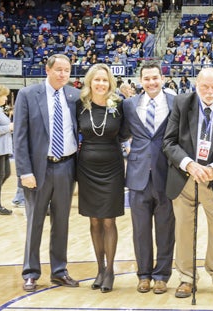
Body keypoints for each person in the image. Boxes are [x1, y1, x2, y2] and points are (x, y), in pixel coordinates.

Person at [162, 67, 213, 299]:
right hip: (185, 177)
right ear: (196, 84)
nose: (209, 91)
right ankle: (186, 278)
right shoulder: (182, 102)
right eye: (205, 86)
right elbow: (169, 142)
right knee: (184, 230)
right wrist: (189, 164)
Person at [14, 54, 80, 292]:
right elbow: (19, 137)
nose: (63, 74)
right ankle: (31, 272)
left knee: (62, 222)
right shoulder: (28, 95)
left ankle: (59, 271)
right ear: (48, 70)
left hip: (66, 167)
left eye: (67, 70)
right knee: (35, 222)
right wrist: (24, 172)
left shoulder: (74, 96)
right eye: (59, 70)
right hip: (38, 169)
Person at [122, 62, 176, 294]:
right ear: (141, 80)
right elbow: (121, 133)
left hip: (167, 174)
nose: (152, 82)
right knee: (140, 229)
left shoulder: (176, 103)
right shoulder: (129, 105)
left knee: (166, 229)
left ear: (162, 79)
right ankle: (143, 274)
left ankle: (162, 275)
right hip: (138, 174)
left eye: (155, 78)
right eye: (147, 78)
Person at [76, 63, 126, 293]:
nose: (100, 84)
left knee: (109, 220)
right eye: (96, 80)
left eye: (104, 80)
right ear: (89, 82)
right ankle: (99, 268)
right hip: (86, 168)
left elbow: (126, 132)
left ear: (110, 83)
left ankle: (110, 271)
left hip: (112, 168)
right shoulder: (79, 105)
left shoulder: (119, 105)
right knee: (94, 220)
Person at [0, 85, 13, 215]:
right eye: (4, 95)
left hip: (3, 150)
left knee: (6, 174)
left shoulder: (0, 110)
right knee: (0, 176)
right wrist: (9, 127)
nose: (6, 98)